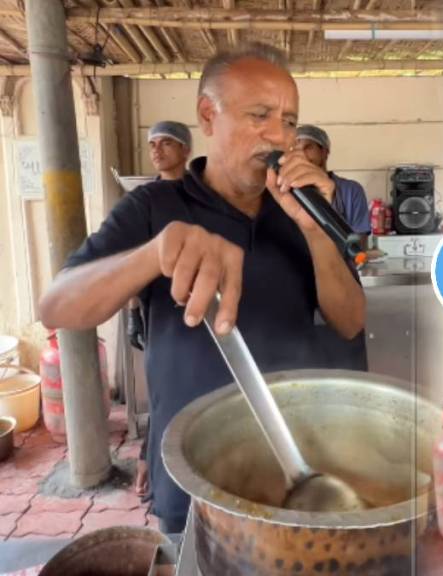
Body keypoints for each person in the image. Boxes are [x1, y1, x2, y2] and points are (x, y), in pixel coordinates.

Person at [38, 43, 366, 533]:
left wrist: (316, 230)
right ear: (208, 115)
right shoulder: (154, 207)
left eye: (290, 121)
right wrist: (153, 254)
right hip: (193, 473)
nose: (279, 136)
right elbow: (57, 306)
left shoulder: (301, 211)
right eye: (260, 115)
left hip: (294, 469)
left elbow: (351, 319)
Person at [131, 121, 194, 498]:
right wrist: (132, 313)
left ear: (186, 150)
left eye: (166, 143)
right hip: (159, 310)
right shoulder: (144, 200)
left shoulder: (201, 196)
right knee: (162, 392)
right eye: (152, 144)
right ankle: (153, 467)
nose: (156, 150)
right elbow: (130, 261)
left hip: (198, 306)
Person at [294, 124, 371, 235]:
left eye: (308, 147)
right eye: (296, 149)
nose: (302, 155)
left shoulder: (351, 191)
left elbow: (360, 241)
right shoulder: (288, 192)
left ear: (324, 152)